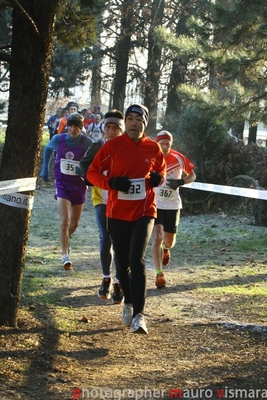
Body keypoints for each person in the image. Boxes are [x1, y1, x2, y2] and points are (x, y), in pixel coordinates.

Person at [87, 104, 166, 334]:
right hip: (117, 213)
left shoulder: (153, 148)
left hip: (144, 211)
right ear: (126, 123)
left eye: (138, 119)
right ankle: (129, 302)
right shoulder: (111, 146)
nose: (133, 123)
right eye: (129, 119)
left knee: (137, 259)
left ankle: (140, 315)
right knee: (122, 265)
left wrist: (157, 179)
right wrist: (110, 183)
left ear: (145, 123)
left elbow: (160, 173)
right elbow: (92, 173)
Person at [80, 110, 125, 303]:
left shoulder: (128, 148)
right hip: (101, 197)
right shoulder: (97, 145)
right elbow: (84, 165)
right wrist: (91, 181)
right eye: (109, 127)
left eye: (116, 128)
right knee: (105, 237)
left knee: (120, 241)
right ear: (104, 128)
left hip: (123, 200)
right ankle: (106, 278)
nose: (112, 131)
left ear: (121, 130)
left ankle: (118, 281)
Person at [40, 113, 93, 271]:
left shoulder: (86, 142)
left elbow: (94, 160)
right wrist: (45, 170)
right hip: (62, 184)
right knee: (65, 220)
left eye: (76, 126)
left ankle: (66, 240)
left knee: (75, 223)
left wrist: (87, 173)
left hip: (79, 185)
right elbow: (48, 150)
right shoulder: (59, 139)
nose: (72, 129)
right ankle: (65, 256)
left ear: (81, 128)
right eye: (70, 126)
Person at [151, 130, 196, 288]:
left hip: (172, 204)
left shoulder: (178, 157)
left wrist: (181, 182)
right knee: (156, 236)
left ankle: (166, 249)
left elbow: (192, 175)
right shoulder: (151, 157)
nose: (164, 147)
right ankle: (159, 274)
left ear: (171, 144)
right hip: (155, 204)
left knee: (168, 241)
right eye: (161, 144)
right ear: (157, 144)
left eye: (167, 144)